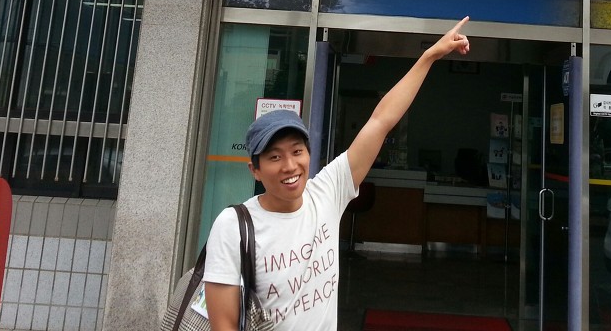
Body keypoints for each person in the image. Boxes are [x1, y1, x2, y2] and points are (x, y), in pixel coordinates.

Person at [202, 17, 472, 331]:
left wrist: (430, 56)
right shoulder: (233, 226)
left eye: (297, 151)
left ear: (308, 154)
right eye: (274, 157)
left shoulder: (326, 192)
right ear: (255, 170)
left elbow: (380, 121)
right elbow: (224, 324)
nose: (289, 165)